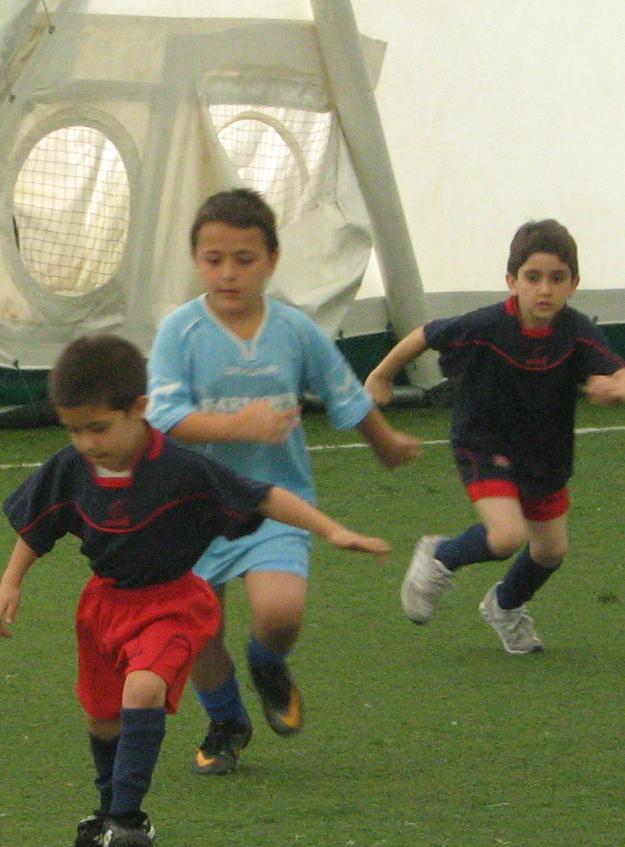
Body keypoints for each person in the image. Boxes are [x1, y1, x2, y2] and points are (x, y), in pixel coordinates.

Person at [0, 334, 389, 847]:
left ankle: (129, 821)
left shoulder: (179, 468)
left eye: (98, 428)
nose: (86, 442)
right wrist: (10, 583)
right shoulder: (72, 466)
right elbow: (40, 525)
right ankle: (106, 818)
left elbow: (263, 496)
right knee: (103, 718)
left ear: (139, 408)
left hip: (173, 604)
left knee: (142, 688)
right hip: (104, 606)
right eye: (74, 430)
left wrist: (333, 530)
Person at [147, 188, 421, 776]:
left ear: (271, 260)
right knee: (197, 632)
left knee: (281, 612)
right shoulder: (179, 331)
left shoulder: (295, 330)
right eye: (214, 258)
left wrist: (385, 442)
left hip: (275, 505)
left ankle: (267, 663)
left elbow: (345, 391)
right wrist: (237, 425)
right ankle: (226, 720)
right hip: (191, 511)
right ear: (196, 260)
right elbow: (164, 418)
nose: (229, 272)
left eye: (244, 259)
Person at [365, 218, 625, 653]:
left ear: (574, 284)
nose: (544, 289)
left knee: (551, 552)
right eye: (533, 277)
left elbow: (624, 374)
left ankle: (505, 605)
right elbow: (426, 334)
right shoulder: (488, 324)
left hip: (544, 452)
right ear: (512, 280)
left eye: (557, 278)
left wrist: (619, 388)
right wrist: (381, 375)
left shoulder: (577, 331)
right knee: (507, 536)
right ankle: (441, 556)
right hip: (484, 441)